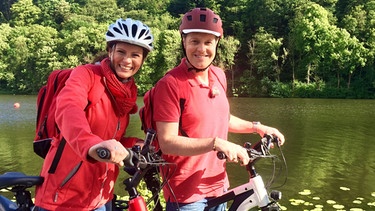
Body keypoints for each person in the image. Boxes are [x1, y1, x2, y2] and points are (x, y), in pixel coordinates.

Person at [152, 7, 285, 211]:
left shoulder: (218, 76)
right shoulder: (171, 84)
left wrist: (258, 127)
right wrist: (216, 143)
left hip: (218, 186)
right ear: (184, 42)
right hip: (187, 195)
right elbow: (167, 142)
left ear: (216, 44)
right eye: (195, 41)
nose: (201, 49)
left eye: (208, 42)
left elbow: (223, 118)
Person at [34, 18, 154, 211]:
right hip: (64, 197)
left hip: (101, 198)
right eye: (121, 52)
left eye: (135, 55)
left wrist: (137, 146)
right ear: (110, 51)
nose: (127, 60)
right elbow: (68, 108)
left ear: (142, 60)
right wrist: (91, 145)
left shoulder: (126, 93)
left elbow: (112, 139)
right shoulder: (87, 75)